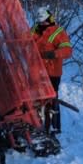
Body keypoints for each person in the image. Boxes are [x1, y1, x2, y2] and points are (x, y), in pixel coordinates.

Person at [31, 7, 72, 135]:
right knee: (34, 100)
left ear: (50, 19)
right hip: (36, 72)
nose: (42, 25)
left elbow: (67, 51)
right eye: (40, 23)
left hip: (52, 73)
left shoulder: (58, 32)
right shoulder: (34, 30)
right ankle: (35, 125)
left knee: (51, 101)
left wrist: (53, 54)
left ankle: (54, 127)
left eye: (44, 22)